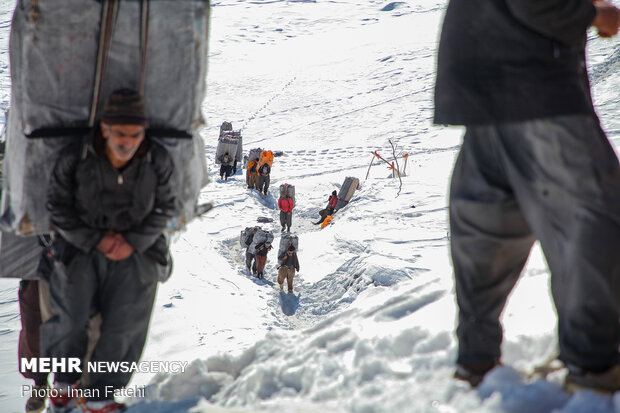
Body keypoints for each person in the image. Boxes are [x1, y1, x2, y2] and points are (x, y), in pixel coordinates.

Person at [434, 0, 620, 392]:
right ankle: (595, 370)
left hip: (481, 87)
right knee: (592, 223)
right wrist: (593, 13)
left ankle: (477, 362)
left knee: (487, 228)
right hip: (538, 85)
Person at [42, 88, 176, 412]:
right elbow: (57, 207)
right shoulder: (77, 156)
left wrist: (132, 241)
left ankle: (101, 396)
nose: (127, 142)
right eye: (120, 133)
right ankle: (64, 385)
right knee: (69, 317)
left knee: (126, 324)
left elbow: (166, 207)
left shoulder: (157, 159)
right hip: (81, 245)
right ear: (105, 129)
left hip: (137, 250)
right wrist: (97, 240)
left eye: (134, 134)